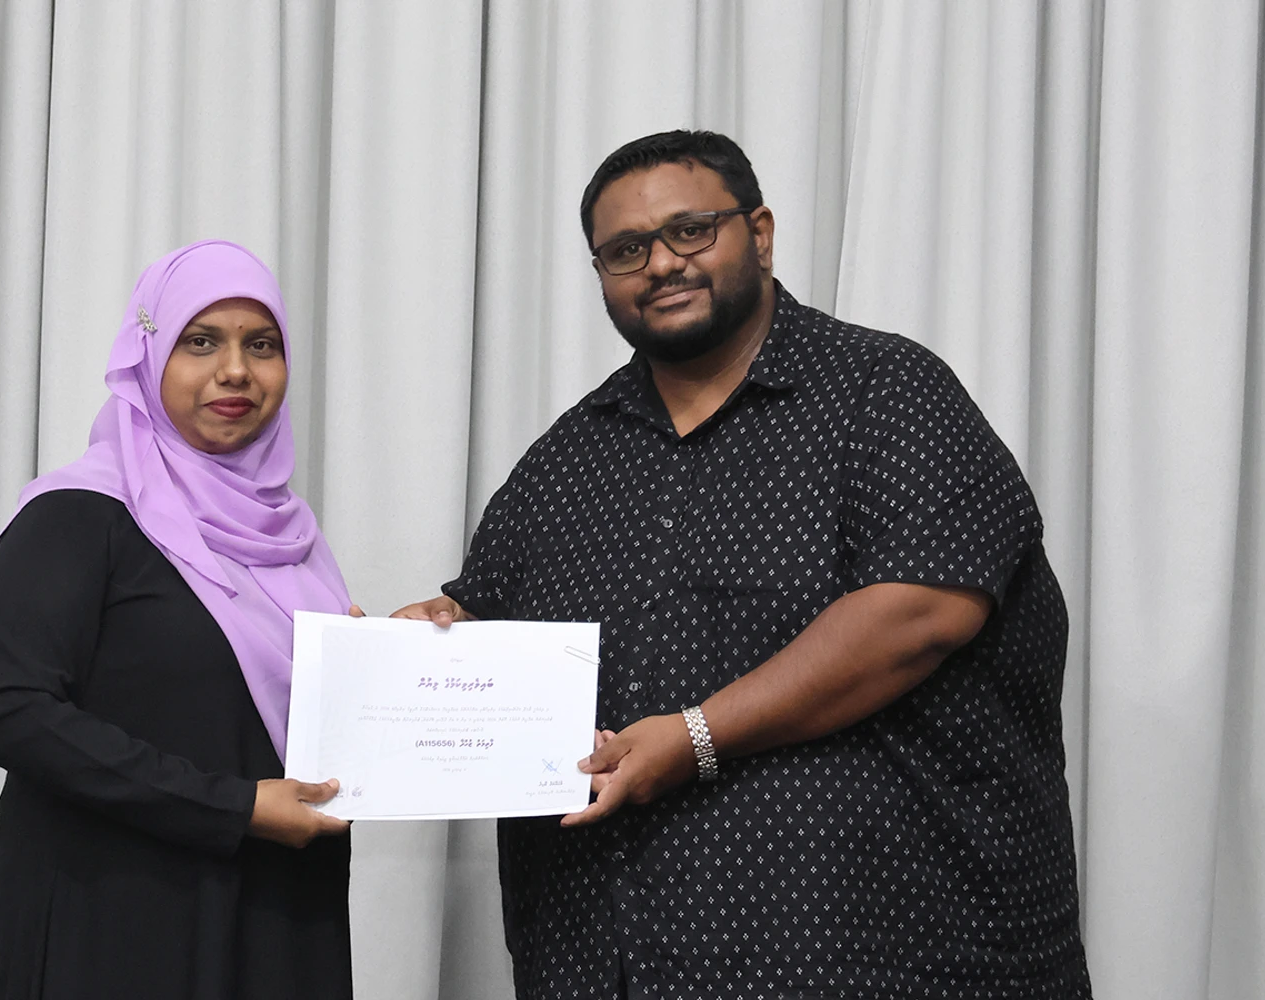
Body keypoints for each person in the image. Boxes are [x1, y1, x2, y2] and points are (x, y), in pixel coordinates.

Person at [393, 131, 1092, 999]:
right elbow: (483, 629)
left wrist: (693, 738)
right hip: (606, 964)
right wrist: (428, 645)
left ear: (759, 235)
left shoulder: (885, 389)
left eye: (690, 230)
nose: (661, 263)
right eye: (626, 250)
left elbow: (919, 614)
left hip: (889, 956)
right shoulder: (565, 460)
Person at [0, 240, 356, 999]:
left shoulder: (293, 541)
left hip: (277, 912)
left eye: (262, 345)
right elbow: (10, 712)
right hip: (117, 916)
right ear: (146, 358)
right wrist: (235, 808)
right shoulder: (77, 516)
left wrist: (400, 670)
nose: (236, 370)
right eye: (200, 341)